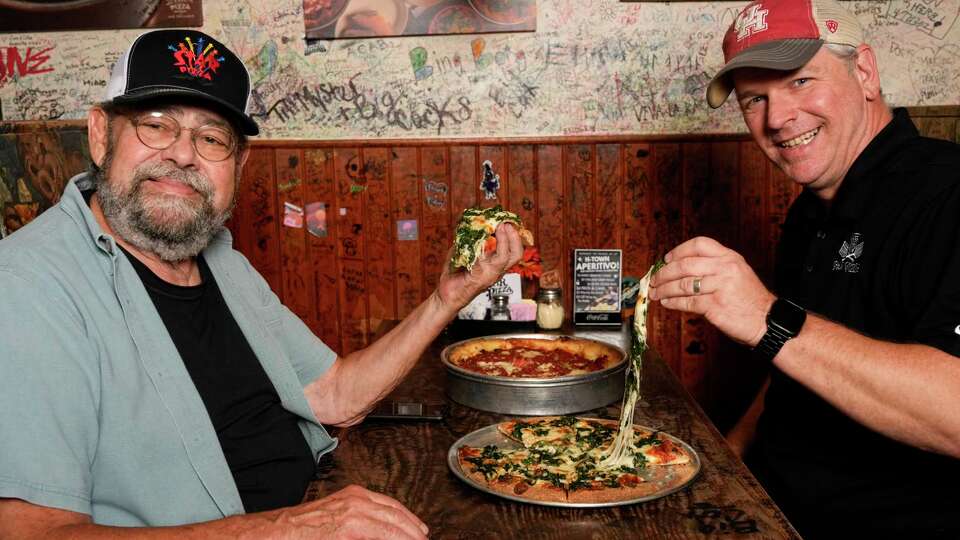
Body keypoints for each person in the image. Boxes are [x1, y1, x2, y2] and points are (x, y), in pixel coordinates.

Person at [0, 29, 522, 538]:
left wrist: (446, 298)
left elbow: (336, 395)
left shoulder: (218, 259)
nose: (183, 155)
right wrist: (286, 528)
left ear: (239, 163)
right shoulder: (28, 288)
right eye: (155, 126)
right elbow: (28, 531)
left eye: (211, 138)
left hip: (321, 501)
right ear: (99, 135)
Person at [648, 1, 960, 538]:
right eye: (754, 100)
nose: (777, 118)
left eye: (798, 82)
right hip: (770, 507)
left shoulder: (947, 193)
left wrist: (768, 317)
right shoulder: (811, 210)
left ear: (864, 71)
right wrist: (725, 463)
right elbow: (798, 364)